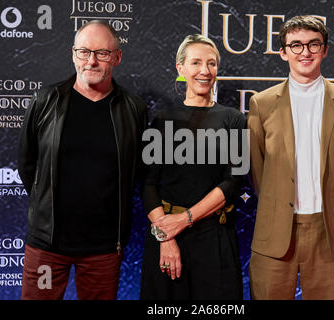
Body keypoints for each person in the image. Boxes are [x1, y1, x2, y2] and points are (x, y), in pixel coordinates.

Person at [18, 20, 146, 300]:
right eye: (84, 52)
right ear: (73, 54)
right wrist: (46, 205)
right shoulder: (46, 100)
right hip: (47, 247)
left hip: (103, 249)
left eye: (102, 53)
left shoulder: (134, 109)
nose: (91, 61)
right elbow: (28, 165)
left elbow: (138, 171)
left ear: (117, 57)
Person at [248, 15, 334, 300]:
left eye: (314, 44)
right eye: (297, 45)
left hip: (328, 233)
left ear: (325, 50)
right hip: (275, 232)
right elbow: (257, 168)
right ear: (283, 52)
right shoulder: (261, 104)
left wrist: (333, 197)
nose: (305, 52)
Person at [140, 34, 246, 300]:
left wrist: (184, 219)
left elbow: (233, 181)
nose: (204, 71)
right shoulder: (162, 120)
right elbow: (148, 183)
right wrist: (166, 236)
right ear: (181, 68)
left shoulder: (233, 119)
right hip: (166, 239)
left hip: (215, 238)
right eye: (196, 62)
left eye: (211, 64)